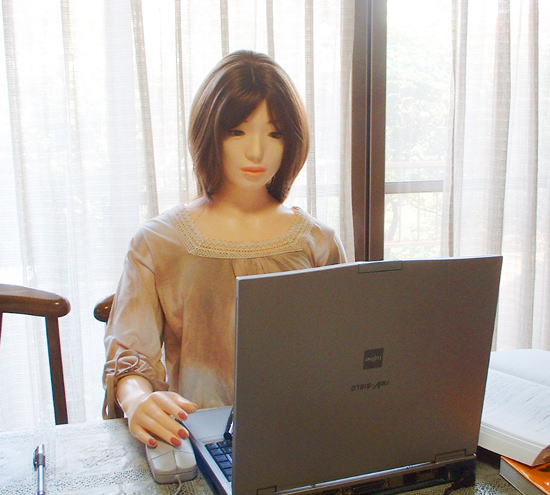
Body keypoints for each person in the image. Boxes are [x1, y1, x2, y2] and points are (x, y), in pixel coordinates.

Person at [102, 50, 346, 450]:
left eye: (275, 133)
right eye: (238, 131)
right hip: (198, 438)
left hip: (302, 437)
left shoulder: (317, 241)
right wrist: (138, 401)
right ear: (209, 134)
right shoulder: (159, 242)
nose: (257, 152)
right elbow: (130, 356)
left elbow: (344, 357)